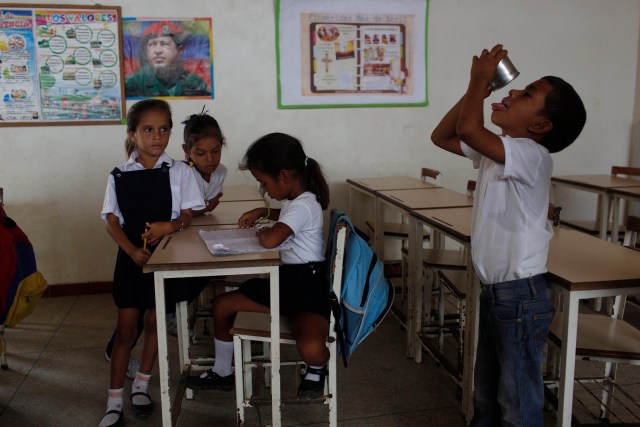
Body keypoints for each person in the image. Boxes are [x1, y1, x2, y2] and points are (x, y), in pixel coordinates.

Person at [430, 44, 586, 426]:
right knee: (488, 394)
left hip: (521, 296)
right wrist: (477, 92)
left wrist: (478, 80)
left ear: (539, 126)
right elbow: (442, 135)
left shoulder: (532, 155)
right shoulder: (496, 153)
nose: (513, 92)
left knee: (515, 401)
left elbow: (469, 128)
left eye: (527, 94)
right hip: (499, 293)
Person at [183, 132, 332, 399]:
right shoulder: (296, 200)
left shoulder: (304, 204)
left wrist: (263, 232)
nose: (263, 190)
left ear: (284, 176)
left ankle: (317, 368)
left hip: (307, 291)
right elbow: (285, 214)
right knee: (223, 305)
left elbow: (271, 239)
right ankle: (222, 371)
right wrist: (263, 212)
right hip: (287, 285)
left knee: (311, 349)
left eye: (263, 182)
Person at [99, 99, 204, 427]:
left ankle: (142, 385)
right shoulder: (118, 175)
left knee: (155, 324)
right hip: (131, 260)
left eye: (164, 129)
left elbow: (188, 215)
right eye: (148, 129)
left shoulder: (180, 171)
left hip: (165, 259)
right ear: (132, 134)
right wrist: (131, 250)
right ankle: (113, 399)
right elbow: (111, 222)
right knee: (127, 330)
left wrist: (170, 226)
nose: (157, 136)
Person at [125, 21, 211, 98]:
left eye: (164, 44)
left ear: (179, 50)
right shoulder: (133, 84)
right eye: (152, 44)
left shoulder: (195, 82)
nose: (158, 51)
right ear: (146, 51)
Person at [181, 108, 227, 216]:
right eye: (201, 153)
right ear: (187, 150)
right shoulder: (182, 174)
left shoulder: (221, 172)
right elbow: (179, 214)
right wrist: (207, 208)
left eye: (215, 151)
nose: (210, 159)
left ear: (221, 145)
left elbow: (212, 200)